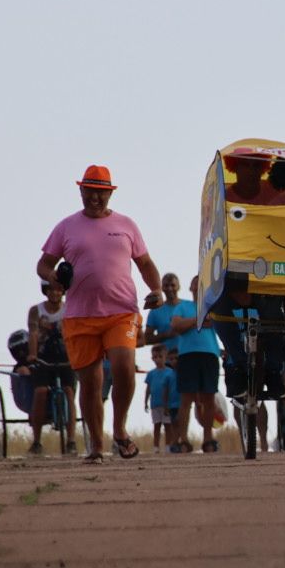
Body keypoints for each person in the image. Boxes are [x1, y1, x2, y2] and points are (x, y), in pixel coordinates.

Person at [37, 164, 163, 464]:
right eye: (90, 191)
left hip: (122, 311)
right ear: (81, 191)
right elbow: (43, 264)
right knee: (90, 384)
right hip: (80, 315)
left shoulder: (127, 225)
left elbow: (145, 263)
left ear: (110, 193)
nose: (95, 197)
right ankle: (95, 445)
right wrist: (52, 276)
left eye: (101, 193)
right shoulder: (66, 227)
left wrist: (156, 290)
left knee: (123, 365)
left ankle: (119, 430)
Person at [20, 280, 77, 455]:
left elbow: (74, 332)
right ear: (46, 291)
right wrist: (32, 354)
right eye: (51, 289)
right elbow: (33, 333)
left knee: (69, 392)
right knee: (41, 392)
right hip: (43, 358)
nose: (55, 293)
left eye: (59, 289)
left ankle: (71, 440)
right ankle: (36, 441)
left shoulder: (70, 309)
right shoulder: (36, 311)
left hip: (65, 357)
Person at [168, 275, 223, 453]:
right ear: (190, 288)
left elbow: (216, 324)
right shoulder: (182, 306)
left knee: (208, 398)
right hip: (187, 355)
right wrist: (198, 320)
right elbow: (176, 325)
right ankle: (183, 439)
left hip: (210, 354)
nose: (197, 286)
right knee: (186, 399)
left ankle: (208, 438)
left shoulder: (213, 307)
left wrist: (191, 323)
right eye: (195, 283)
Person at [143, 344, 178, 453]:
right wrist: (145, 402)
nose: (157, 359)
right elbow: (148, 388)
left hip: (167, 404)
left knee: (168, 426)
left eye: (160, 356)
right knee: (156, 426)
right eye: (155, 357)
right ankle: (156, 447)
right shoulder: (151, 374)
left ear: (165, 357)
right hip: (155, 404)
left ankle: (168, 446)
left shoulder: (170, 372)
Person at [143, 272, 183, 352]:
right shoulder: (155, 310)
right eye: (166, 285)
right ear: (162, 288)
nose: (169, 288)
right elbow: (147, 339)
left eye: (173, 285)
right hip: (166, 360)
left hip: (189, 356)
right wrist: (167, 334)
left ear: (178, 287)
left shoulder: (189, 307)